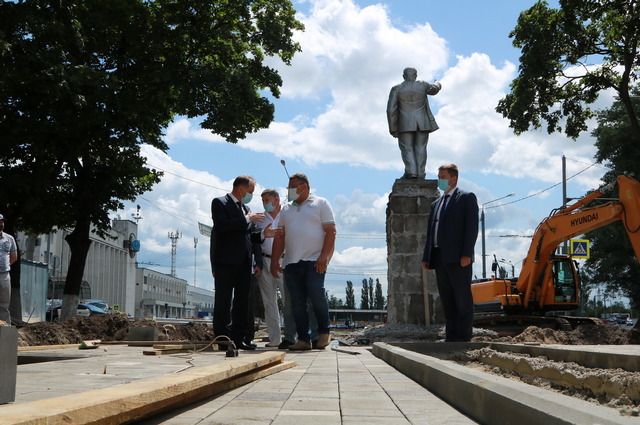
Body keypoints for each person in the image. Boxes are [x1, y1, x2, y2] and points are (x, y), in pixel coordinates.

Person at [270, 173, 336, 351]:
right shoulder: (286, 210)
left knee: (316, 295)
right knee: (297, 303)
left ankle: (324, 332)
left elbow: (331, 232)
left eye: (292, 187)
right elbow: (280, 237)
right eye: (288, 187)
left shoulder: (321, 203)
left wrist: (324, 257)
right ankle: (304, 339)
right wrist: (275, 260)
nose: (288, 191)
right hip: (291, 262)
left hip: (314, 260)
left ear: (304, 187)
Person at [421, 164, 479, 342]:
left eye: (443, 176)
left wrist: (466, 254)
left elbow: (471, 228)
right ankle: (451, 336)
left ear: (454, 178)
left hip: (458, 257)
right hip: (439, 257)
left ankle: (464, 336)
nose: (440, 180)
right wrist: (426, 256)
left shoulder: (466, 198)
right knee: (447, 298)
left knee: (461, 298)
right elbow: (431, 232)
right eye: (439, 176)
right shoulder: (436, 204)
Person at [211, 176, 264, 350]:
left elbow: (249, 236)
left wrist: (264, 235)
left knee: (242, 302)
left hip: (244, 263)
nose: (251, 195)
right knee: (223, 300)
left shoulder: (246, 208)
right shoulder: (219, 203)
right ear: (241, 188)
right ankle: (223, 339)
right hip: (225, 261)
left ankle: (239, 338)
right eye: (251, 191)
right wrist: (248, 219)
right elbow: (223, 226)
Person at [386, 67, 441, 179]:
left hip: (404, 124)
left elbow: (390, 110)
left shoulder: (397, 89)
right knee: (421, 148)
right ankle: (420, 173)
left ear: (403, 76)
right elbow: (434, 89)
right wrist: (438, 83)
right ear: (415, 75)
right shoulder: (423, 85)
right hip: (423, 122)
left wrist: (393, 128)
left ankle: (411, 172)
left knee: (407, 148)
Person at [0, 214, 17, 325]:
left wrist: (5, 266)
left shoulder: (9, 238)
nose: (1, 224)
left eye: (2, 221)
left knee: (4, 305)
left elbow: (14, 257)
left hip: (4, 275)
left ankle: (5, 332)